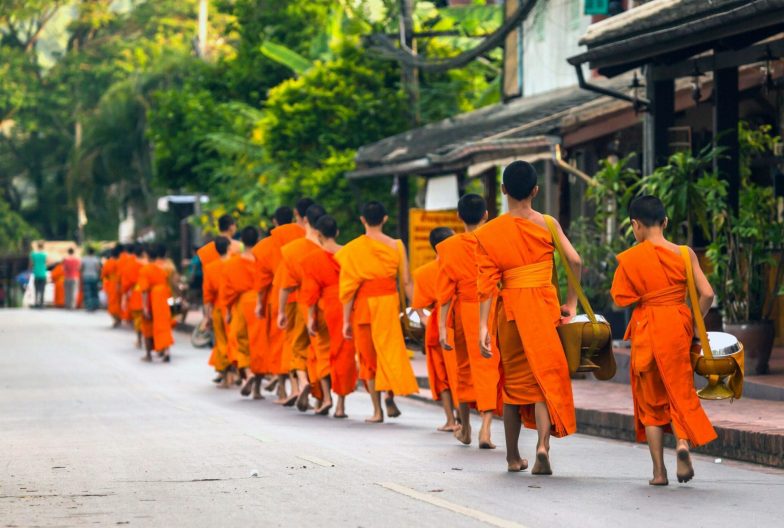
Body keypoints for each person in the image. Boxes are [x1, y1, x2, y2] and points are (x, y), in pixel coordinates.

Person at [475, 161, 580, 474]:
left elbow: (486, 285)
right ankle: (542, 447)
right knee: (543, 378)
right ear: (536, 191)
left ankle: (512, 457)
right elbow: (574, 259)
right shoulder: (547, 223)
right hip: (544, 308)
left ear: (504, 190)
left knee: (513, 385)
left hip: (511, 315)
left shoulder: (489, 232)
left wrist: (482, 325)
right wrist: (572, 303)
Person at [611, 195, 717, 486]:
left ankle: (659, 472)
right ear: (665, 222)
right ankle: (682, 444)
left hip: (647, 328)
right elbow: (706, 293)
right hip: (677, 326)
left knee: (651, 404)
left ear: (635, 225)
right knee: (679, 392)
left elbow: (620, 299)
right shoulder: (684, 253)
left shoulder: (631, 258)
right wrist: (694, 323)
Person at [336, 201, 419, 423]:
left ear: (362, 219)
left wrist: (345, 320)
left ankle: (377, 410)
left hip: (364, 308)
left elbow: (348, 290)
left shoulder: (353, 249)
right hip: (388, 305)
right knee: (388, 353)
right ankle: (390, 395)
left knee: (368, 358)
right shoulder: (397, 246)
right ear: (385, 219)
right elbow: (407, 282)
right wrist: (418, 309)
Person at [437, 194, 500, 448]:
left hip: (463, 311)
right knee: (489, 367)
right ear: (486, 215)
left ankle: (465, 429)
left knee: (463, 368)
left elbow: (444, 292)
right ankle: (486, 426)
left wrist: (442, 326)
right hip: (491, 310)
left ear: (459, 217)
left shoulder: (449, 247)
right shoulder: (494, 241)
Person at [301, 215, 358, 418]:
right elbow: (356, 283)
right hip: (346, 308)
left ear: (318, 234)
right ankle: (341, 405)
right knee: (343, 355)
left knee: (322, 353)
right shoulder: (348, 254)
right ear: (337, 232)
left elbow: (310, 292)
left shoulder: (312, 259)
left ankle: (326, 398)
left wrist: (310, 318)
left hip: (324, 309)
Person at [277, 203, 329, 412]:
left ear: (305, 220)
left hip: (301, 303)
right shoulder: (328, 248)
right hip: (324, 304)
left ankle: (302, 379)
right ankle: (324, 398)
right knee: (321, 349)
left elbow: (285, 285)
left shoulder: (292, 250)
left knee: (298, 346)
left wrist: (281, 311)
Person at [252, 206, 305, 404]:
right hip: (303, 292)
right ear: (294, 217)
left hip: (279, 295)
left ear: (274, 222)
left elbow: (262, 281)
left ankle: (283, 390)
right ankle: (300, 385)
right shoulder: (303, 235)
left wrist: (259, 303)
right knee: (301, 341)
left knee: (279, 342)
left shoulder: (265, 245)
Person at [413, 227, 459, 432]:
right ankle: (464, 418)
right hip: (463, 322)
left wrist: (426, 319)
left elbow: (419, 308)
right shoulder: (464, 266)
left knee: (442, 376)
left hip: (437, 325)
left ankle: (450, 420)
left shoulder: (424, 273)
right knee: (462, 372)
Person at [224, 226, 262, 398]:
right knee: (259, 343)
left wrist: (228, 310)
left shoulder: (233, 263)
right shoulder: (263, 260)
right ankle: (257, 389)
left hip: (241, 303)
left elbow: (228, 290)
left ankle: (248, 373)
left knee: (242, 341)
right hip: (261, 304)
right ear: (258, 239)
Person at [203, 236, 233, 387]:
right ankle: (236, 375)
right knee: (234, 340)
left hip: (217, 308)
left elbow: (208, 296)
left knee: (221, 342)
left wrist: (207, 317)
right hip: (233, 307)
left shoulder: (210, 268)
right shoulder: (235, 263)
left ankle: (226, 375)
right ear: (229, 248)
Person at [138, 244, 175, 362]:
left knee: (147, 325)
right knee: (163, 324)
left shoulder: (145, 270)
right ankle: (166, 350)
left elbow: (144, 290)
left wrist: (144, 307)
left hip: (151, 297)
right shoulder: (164, 267)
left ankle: (149, 354)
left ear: (147, 256)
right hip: (164, 296)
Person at [122, 244, 147, 348]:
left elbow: (126, 284)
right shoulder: (148, 265)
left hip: (136, 294)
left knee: (137, 319)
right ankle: (147, 340)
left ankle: (139, 339)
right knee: (146, 320)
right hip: (148, 294)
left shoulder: (130, 265)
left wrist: (124, 298)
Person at [102, 245, 123, 327]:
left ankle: (115, 319)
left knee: (112, 302)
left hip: (111, 284)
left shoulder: (108, 262)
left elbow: (104, 274)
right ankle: (119, 318)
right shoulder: (120, 262)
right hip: (121, 284)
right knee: (119, 302)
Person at [80, 247, 101, 312]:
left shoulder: (84, 259)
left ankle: (89, 306)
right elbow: (98, 269)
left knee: (87, 292)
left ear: (87, 252)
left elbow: (81, 268)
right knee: (95, 292)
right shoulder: (96, 259)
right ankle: (95, 306)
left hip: (86, 277)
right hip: (94, 277)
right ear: (93, 252)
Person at [30, 242, 47, 308]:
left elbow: (31, 264)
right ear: (42, 247)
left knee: (36, 289)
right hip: (43, 274)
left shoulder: (33, 254)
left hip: (36, 274)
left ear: (37, 246)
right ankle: (41, 303)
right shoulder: (44, 255)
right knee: (42, 289)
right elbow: (46, 263)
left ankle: (36, 302)